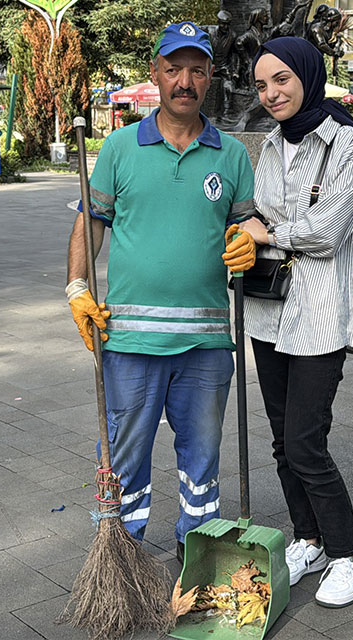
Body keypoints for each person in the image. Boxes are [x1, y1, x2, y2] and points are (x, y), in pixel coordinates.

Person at [66, 22, 256, 561]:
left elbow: (246, 224)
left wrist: (249, 239)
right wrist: (77, 287)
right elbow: (92, 222)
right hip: (129, 341)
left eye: (196, 70)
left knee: (203, 461)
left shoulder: (232, 154)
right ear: (155, 73)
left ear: (211, 76)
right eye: (173, 69)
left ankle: (198, 554)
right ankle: (121, 559)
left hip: (207, 343)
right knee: (124, 459)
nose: (184, 82)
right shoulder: (120, 147)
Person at [238, 36, 353, 609]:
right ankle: (310, 539)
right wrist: (250, 229)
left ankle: (352, 555)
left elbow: (326, 232)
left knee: (305, 442)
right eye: (261, 85)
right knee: (283, 441)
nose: (271, 93)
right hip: (269, 310)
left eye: (281, 79)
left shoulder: (347, 142)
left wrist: (269, 232)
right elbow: (260, 212)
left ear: (307, 75)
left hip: (322, 314)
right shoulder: (273, 145)